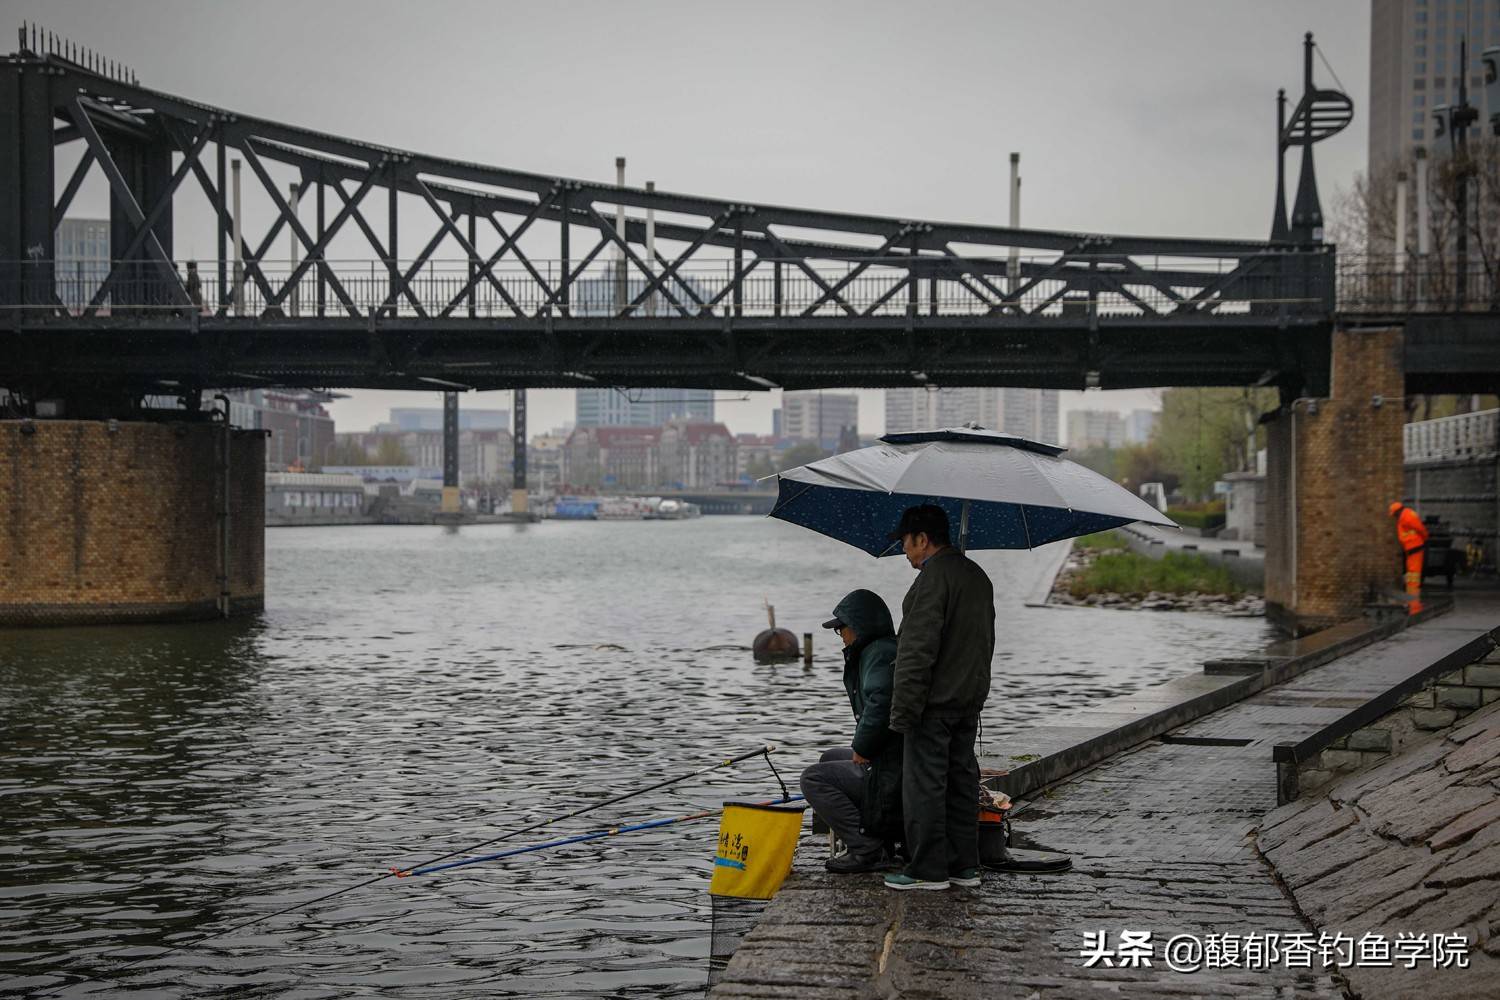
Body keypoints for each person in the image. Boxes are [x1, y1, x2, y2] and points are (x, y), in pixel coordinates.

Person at [883, 504, 995, 891]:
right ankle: (965, 866)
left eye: (905, 543)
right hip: (969, 699)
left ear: (923, 539)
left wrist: (902, 713)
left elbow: (917, 650)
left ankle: (927, 869)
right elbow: (984, 643)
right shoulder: (976, 575)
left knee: (925, 785)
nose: (905, 552)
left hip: (934, 702)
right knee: (961, 781)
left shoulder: (933, 579)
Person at [798, 589, 904, 874]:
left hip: (893, 769)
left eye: (841, 629)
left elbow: (882, 703)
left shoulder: (879, 654)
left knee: (812, 779)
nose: (841, 636)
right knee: (829, 757)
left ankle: (866, 847)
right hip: (893, 759)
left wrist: (863, 747)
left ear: (858, 626)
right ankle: (875, 838)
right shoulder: (880, 650)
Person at [1390, 501, 1429, 614]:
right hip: (1411, 549)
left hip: (1414, 548)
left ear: (1398, 511)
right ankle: (1412, 602)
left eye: (1394, 514)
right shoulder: (1404, 516)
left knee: (1413, 577)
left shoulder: (1407, 516)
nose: (1394, 517)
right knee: (1411, 576)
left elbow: (1420, 528)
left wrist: (1425, 538)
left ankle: (1414, 604)